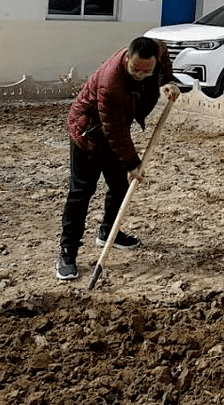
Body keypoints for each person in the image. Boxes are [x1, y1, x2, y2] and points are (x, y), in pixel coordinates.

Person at [56, 36, 180, 281]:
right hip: (88, 133)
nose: (141, 76)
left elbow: (164, 56)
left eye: (148, 71)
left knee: (119, 185)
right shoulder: (110, 84)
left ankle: (108, 232)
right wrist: (133, 164)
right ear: (127, 58)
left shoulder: (157, 49)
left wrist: (167, 80)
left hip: (114, 131)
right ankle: (67, 254)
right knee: (82, 191)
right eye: (135, 69)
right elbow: (114, 130)